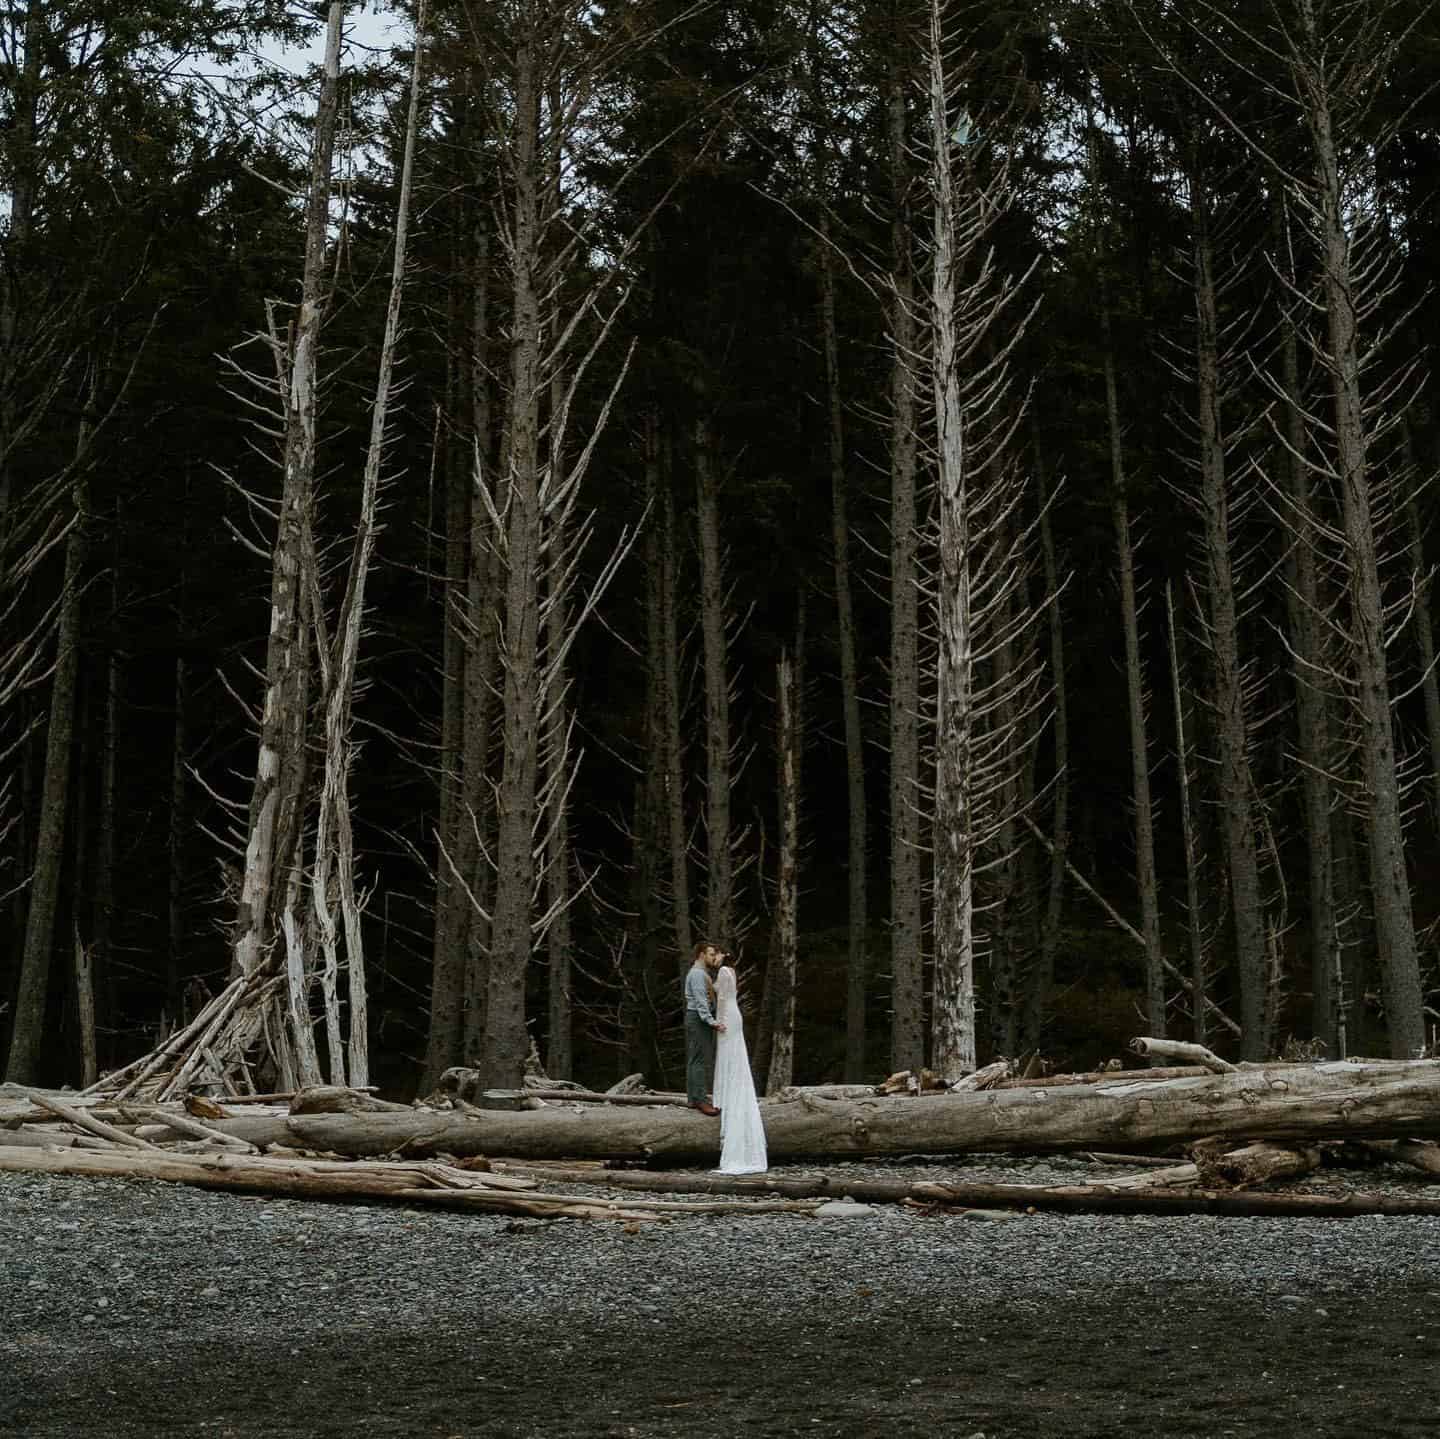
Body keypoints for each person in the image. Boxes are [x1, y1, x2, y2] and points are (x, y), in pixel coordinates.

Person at [711, 959, 767, 1174]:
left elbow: (723, 998)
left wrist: (718, 1021)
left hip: (728, 1015)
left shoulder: (724, 971)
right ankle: (729, 1089)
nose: (715, 958)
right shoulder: (732, 972)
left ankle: (727, 1091)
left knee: (729, 1054)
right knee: (734, 1054)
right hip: (735, 1014)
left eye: (717, 954)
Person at [683, 942, 725, 1115]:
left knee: (695, 1059)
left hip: (697, 1019)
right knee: (699, 1060)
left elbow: (710, 992)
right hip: (698, 1019)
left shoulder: (701, 973)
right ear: (701, 954)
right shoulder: (697, 975)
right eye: (711, 954)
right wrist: (712, 1022)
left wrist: (718, 967)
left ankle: (694, 1098)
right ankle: (700, 1100)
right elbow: (701, 1002)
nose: (713, 957)